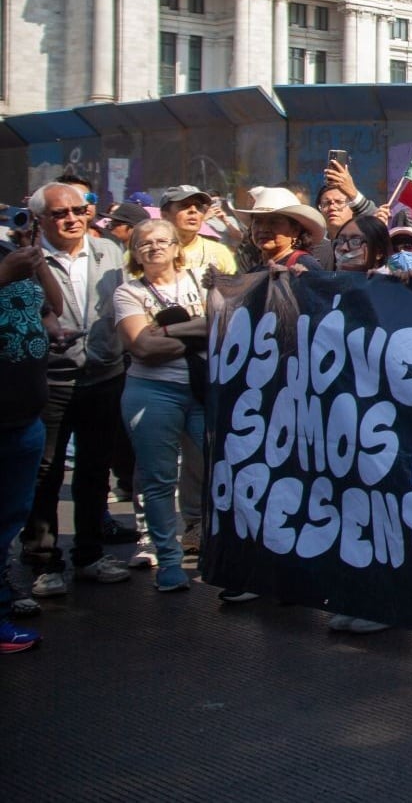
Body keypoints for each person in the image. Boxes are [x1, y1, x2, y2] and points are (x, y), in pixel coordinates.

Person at [21, 182, 133, 598]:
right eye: (59, 213)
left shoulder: (110, 253)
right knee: (45, 473)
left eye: (79, 209)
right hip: (50, 380)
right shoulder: (27, 260)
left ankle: (89, 554)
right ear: (40, 220)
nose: (71, 219)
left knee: (94, 469)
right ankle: (43, 560)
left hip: (103, 376)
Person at [112, 220, 211, 595]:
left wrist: (166, 331)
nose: (153, 248)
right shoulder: (127, 292)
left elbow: (221, 323)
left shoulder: (202, 280)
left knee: (220, 472)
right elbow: (142, 348)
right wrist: (197, 330)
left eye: (161, 241)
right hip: (152, 392)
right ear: (135, 252)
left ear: (175, 247)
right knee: (158, 480)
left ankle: (221, 554)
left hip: (203, 392)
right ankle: (168, 561)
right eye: (144, 243)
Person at [1, 239, 61, 651]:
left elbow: (52, 305)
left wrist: (36, 265)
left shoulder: (8, 250)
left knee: (7, 523)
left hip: (25, 420)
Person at [235, 187, 326, 272]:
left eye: (274, 222)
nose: (263, 229)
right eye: (258, 222)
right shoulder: (255, 272)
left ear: (295, 230)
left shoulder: (304, 266)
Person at [159, 185, 240, 276]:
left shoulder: (219, 252)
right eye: (184, 206)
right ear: (164, 215)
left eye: (198, 206)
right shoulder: (154, 252)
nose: (193, 210)